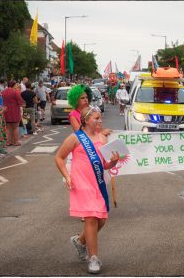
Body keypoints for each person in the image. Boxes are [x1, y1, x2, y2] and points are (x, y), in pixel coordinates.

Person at [54, 106, 119, 274]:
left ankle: (80, 241)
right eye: (96, 118)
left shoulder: (102, 139)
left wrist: (113, 162)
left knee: (101, 220)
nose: (100, 121)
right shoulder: (75, 138)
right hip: (81, 184)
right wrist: (67, 176)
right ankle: (94, 258)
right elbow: (59, 157)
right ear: (86, 120)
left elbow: (105, 165)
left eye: (100, 118)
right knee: (91, 218)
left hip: (97, 183)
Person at [2, 80, 25, 146]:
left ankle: (8, 142)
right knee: (15, 127)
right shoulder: (15, 92)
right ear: (13, 85)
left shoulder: (3, 92)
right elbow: (21, 102)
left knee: (8, 128)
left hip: (6, 112)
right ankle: (16, 142)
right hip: (14, 112)